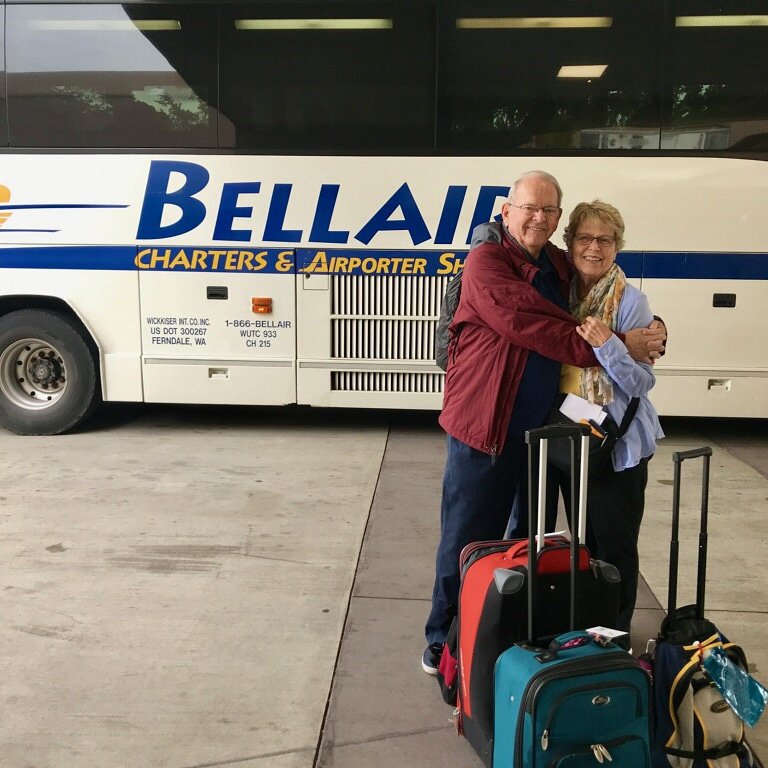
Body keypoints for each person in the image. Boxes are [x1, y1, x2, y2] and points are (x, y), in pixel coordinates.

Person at [422, 171, 665, 674]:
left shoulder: (554, 262)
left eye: (549, 211)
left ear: (557, 221)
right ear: (506, 211)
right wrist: (617, 344)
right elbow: (529, 324)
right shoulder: (487, 261)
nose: (539, 218)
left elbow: (603, 283)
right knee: (468, 539)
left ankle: (507, 629)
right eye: (529, 208)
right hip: (485, 429)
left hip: (539, 435)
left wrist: (655, 330)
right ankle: (443, 643)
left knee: (522, 542)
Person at [552, 199, 664, 644]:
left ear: (618, 246)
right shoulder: (560, 295)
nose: (594, 248)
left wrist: (607, 344)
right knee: (582, 545)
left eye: (605, 239)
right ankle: (584, 630)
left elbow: (641, 382)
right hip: (572, 439)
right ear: (570, 243)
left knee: (614, 547)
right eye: (585, 238)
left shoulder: (632, 301)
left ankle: (614, 637)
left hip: (617, 445)